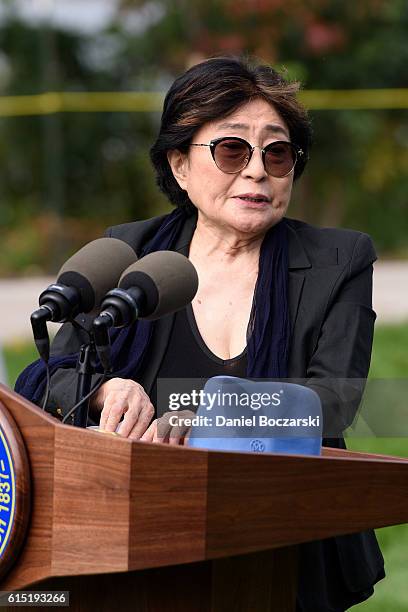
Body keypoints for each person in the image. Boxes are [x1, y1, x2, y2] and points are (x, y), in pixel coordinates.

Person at [16, 56, 384, 611]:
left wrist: (211, 420)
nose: (257, 170)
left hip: (282, 544)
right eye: (232, 148)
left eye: (277, 152)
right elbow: (52, 377)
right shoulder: (127, 252)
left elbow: (332, 402)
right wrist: (103, 390)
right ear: (179, 164)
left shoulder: (340, 259)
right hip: (134, 539)